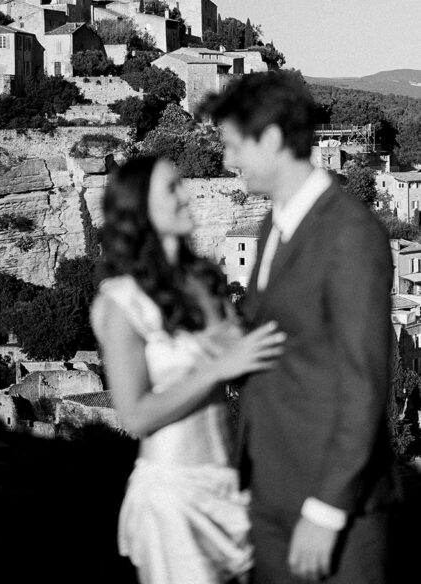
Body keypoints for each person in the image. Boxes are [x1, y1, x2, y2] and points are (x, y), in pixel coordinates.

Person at [199, 72, 393, 584]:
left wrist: (326, 510)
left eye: (234, 145)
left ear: (272, 139)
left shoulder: (351, 233)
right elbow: (279, 346)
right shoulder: (272, 225)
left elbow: (365, 385)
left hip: (332, 510)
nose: (227, 161)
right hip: (270, 496)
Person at [90, 154, 286, 584]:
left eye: (182, 184)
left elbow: (248, 361)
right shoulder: (121, 301)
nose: (186, 195)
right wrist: (217, 370)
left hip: (231, 484)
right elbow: (135, 415)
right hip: (175, 495)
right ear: (139, 209)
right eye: (171, 188)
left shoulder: (208, 281)